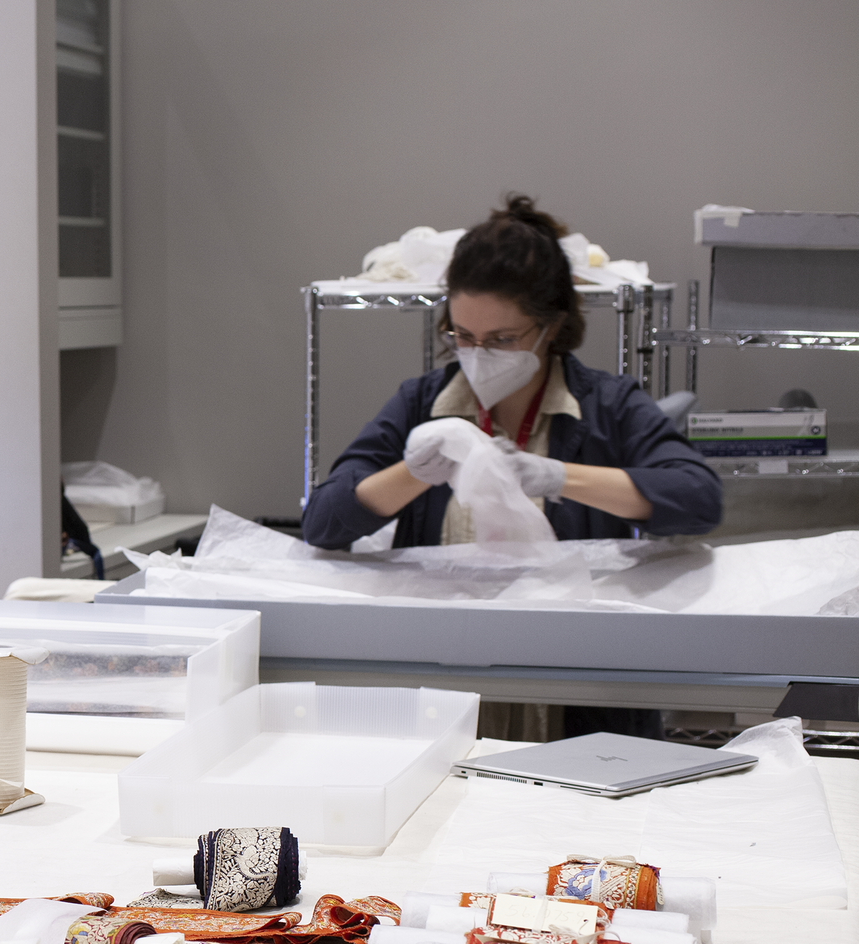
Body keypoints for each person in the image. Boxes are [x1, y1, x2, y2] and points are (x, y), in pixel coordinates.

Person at [300, 194, 724, 737]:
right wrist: (413, 474)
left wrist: (555, 476)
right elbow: (324, 522)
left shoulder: (607, 406)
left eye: (502, 340)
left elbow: (697, 498)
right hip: (442, 689)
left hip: (581, 694)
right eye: (463, 336)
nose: (479, 354)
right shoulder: (421, 403)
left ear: (552, 327)